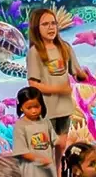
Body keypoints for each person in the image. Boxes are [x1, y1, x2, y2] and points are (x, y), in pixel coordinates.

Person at [26, 9, 90, 137]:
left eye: (53, 23)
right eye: (45, 24)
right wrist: (59, 89)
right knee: (48, 146)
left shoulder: (65, 47)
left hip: (64, 108)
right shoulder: (34, 52)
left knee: (61, 145)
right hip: (45, 110)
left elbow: (76, 74)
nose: (51, 28)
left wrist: (83, 75)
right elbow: (33, 84)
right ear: (36, 28)